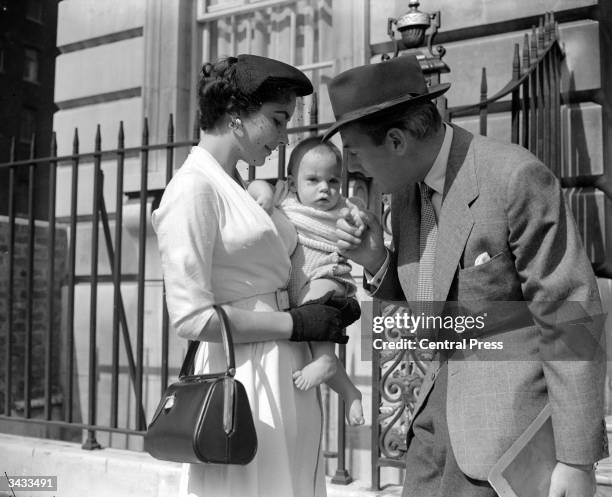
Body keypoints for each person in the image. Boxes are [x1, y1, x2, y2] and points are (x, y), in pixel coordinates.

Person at [326, 55, 608, 497]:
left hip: (506, 442)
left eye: (355, 152)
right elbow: (429, 315)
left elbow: (569, 315)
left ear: (397, 141)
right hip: (430, 430)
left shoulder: (513, 178)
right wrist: (375, 259)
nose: (354, 169)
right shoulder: (404, 195)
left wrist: (576, 458)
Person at [152, 54, 360, 497]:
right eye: (277, 119)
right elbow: (191, 319)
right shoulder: (192, 189)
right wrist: (294, 323)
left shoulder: (237, 185)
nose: (285, 136)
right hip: (246, 377)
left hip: (285, 368)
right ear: (235, 116)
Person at [248, 136, 365, 425]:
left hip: (328, 279)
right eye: (313, 179)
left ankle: (326, 360)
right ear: (292, 182)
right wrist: (262, 192)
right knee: (312, 335)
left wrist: (357, 219)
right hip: (297, 290)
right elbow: (252, 186)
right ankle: (350, 392)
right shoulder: (284, 199)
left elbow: (360, 215)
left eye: (333, 181)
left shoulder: (342, 210)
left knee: (317, 313)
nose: (325, 188)